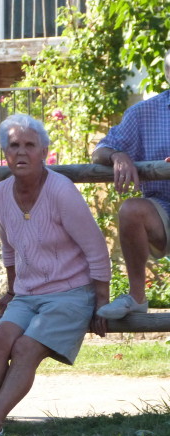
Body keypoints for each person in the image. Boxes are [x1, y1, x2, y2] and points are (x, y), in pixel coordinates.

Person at [0, 115, 110, 436]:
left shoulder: (61, 191)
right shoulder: (1, 193)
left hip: (71, 292)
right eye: (14, 145)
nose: (21, 152)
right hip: (27, 293)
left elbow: (96, 248)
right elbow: (9, 250)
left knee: (25, 348)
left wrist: (101, 301)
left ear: (44, 151)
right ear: (4, 152)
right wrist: (10, 290)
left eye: (30, 145)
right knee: (0, 339)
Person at [92, 50, 170, 320]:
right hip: (164, 211)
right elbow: (99, 150)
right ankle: (137, 298)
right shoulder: (143, 113)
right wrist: (118, 155)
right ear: (167, 74)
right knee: (131, 209)